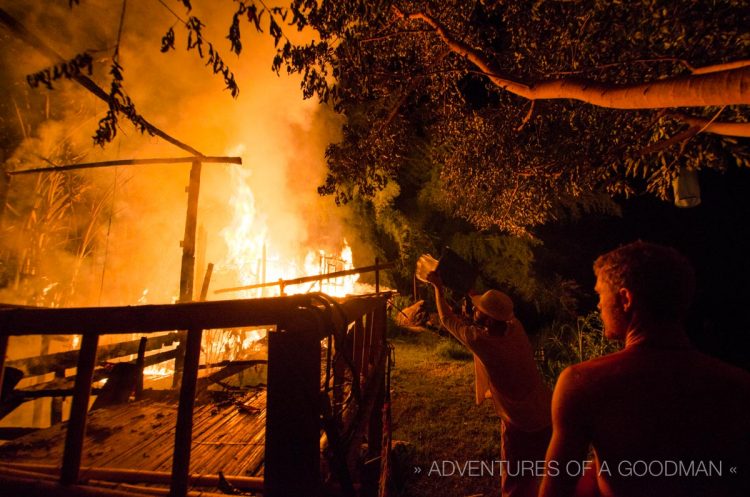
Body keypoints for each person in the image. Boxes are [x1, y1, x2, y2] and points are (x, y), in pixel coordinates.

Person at [540, 241, 750, 497]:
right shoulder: (738, 384)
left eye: (600, 295)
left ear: (625, 299)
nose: (598, 306)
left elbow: (555, 490)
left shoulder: (583, 382)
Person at [426, 271, 552, 497]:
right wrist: (470, 290)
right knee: (537, 476)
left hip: (520, 422)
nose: (474, 310)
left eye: (479, 310)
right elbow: (494, 314)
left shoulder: (482, 341)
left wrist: (438, 289)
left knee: (515, 486)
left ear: (490, 320)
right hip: (545, 413)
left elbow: (447, 319)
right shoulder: (516, 329)